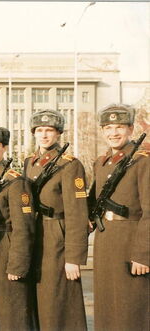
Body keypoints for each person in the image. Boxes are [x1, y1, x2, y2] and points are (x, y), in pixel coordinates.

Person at [23, 109, 89, 331]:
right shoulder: (29, 163)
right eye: (39, 130)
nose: (44, 135)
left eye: (49, 130)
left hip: (57, 239)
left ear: (58, 133)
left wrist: (74, 257)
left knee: (58, 300)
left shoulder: (70, 165)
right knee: (38, 298)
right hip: (35, 235)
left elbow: (78, 212)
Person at [90, 104, 149, 331]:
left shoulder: (143, 161)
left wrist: (143, 254)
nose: (113, 133)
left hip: (130, 244)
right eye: (108, 127)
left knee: (131, 310)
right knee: (106, 309)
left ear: (131, 129)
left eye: (119, 127)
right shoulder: (102, 162)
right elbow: (93, 201)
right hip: (106, 242)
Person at [0, 127, 37, 331]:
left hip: (7, 248)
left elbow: (24, 226)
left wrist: (18, 264)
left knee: (13, 311)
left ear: (4, 148)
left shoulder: (16, 181)